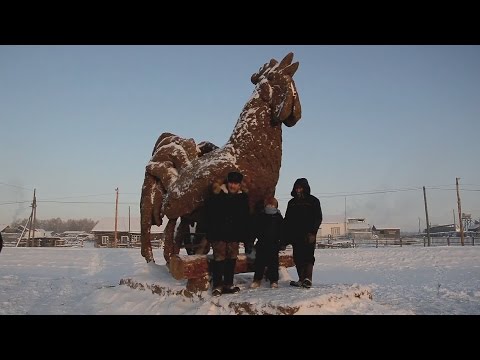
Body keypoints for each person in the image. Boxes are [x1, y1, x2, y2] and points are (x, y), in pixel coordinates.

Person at [206, 171, 251, 297]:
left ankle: (228, 284)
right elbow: (209, 215)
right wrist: (210, 232)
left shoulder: (243, 198)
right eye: (231, 183)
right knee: (219, 259)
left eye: (236, 184)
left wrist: (245, 236)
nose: (233, 186)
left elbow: (245, 218)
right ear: (228, 182)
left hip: (234, 235)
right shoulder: (218, 195)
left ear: (239, 185)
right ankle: (217, 285)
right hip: (218, 234)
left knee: (231, 260)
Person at [282, 178, 322, 289]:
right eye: (297, 188)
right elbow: (287, 220)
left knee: (308, 257)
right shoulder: (292, 203)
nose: (298, 190)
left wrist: (313, 232)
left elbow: (318, 218)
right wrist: (284, 237)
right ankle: (301, 279)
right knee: (298, 257)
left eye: (300, 187)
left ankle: (308, 279)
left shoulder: (313, 201)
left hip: (308, 234)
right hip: (295, 234)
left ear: (305, 188)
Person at [250, 197, 283, 289]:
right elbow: (255, 229)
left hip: (274, 243)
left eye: (272, 205)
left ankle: (274, 280)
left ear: (276, 206)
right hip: (262, 243)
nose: (270, 206)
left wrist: (282, 242)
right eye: (268, 205)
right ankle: (257, 279)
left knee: (273, 263)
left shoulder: (278, 216)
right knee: (259, 262)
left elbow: (282, 230)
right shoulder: (261, 215)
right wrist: (251, 241)